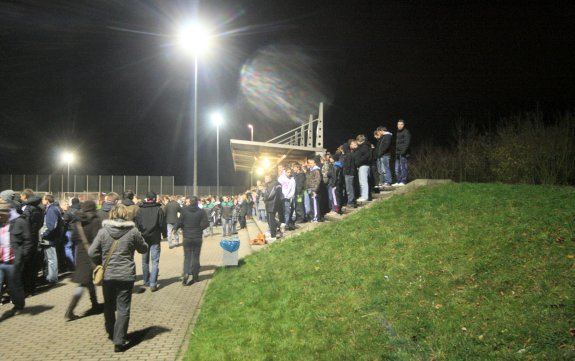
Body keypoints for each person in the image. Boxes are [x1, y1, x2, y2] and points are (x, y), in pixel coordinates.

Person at [88, 204, 148, 353]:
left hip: (108, 274)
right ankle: (119, 341)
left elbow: (91, 252)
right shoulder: (133, 231)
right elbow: (143, 248)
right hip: (126, 275)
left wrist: (100, 261)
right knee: (123, 308)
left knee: (108, 305)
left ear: (111, 215)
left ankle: (111, 332)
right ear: (125, 215)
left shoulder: (103, 232)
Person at [65, 200, 103, 321]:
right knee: (83, 283)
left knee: (88, 280)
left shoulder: (78, 221)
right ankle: (70, 310)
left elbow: (74, 237)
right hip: (92, 253)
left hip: (80, 253)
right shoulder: (96, 220)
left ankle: (95, 304)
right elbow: (98, 238)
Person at [0, 198, 31, 318]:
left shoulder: (20, 222)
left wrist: (22, 256)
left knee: (14, 286)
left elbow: (28, 241)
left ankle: (19, 305)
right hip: (1, 261)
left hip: (13, 261)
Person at [135, 192, 166, 292]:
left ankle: (146, 280)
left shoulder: (140, 209)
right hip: (155, 238)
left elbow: (137, 225)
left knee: (145, 261)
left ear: (146, 198)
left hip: (144, 238)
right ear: (154, 199)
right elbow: (162, 224)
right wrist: (164, 234)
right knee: (155, 261)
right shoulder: (159, 209)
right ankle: (153, 283)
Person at [174, 196, 209, 286]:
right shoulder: (201, 212)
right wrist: (199, 228)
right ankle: (195, 277)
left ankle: (186, 272)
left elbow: (179, 221)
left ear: (190, 202)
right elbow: (206, 223)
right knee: (196, 257)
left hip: (187, 236)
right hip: (197, 236)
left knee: (187, 256)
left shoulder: (184, 211)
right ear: (197, 202)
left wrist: (176, 228)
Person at [19, 189, 43, 296]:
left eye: (21, 196)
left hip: (27, 241)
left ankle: (26, 290)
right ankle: (32, 288)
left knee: (25, 266)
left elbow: (25, 225)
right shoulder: (39, 208)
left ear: (25, 196)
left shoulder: (27, 209)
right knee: (32, 266)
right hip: (34, 239)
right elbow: (40, 224)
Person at [40, 194, 62, 284]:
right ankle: (50, 276)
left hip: (50, 238)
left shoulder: (52, 209)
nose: (42, 201)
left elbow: (51, 226)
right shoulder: (54, 208)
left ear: (47, 200)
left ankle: (52, 278)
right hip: (52, 237)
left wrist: (44, 234)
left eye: (43, 199)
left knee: (51, 258)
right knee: (50, 258)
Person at [354, 134, 372, 202]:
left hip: (363, 165)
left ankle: (365, 196)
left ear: (359, 140)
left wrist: (358, 162)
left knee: (363, 181)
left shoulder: (364, 146)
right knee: (362, 181)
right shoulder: (363, 146)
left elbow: (366, 156)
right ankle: (363, 195)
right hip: (362, 165)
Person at [264, 174, 282, 241]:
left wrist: (265, 198)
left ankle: (273, 235)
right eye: (265, 178)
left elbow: (270, 194)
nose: (265, 179)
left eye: (266, 178)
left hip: (272, 203)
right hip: (271, 203)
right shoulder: (269, 184)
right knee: (270, 219)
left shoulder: (273, 184)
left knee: (271, 220)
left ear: (270, 178)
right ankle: (280, 225)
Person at [394, 119, 411, 186]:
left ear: (403, 125)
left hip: (403, 153)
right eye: (398, 124)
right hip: (397, 153)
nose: (399, 126)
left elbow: (407, 143)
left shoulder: (406, 132)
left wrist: (403, 152)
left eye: (401, 124)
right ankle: (398, 181)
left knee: (403, 167)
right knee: (396, 168)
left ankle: (403, 181)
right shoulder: (398, 132)